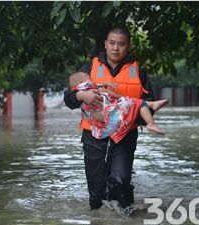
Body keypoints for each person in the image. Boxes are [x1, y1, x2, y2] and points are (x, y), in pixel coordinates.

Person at [63, 27, 157, 216]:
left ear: (128, 46)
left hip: (124, 136)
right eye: (112, 43)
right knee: (96, 195)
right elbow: (68, 98)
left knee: (121, 180)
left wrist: (127, 115)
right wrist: (83, 95)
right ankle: (99, 216)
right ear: (105, 44)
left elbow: (149, 105)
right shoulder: (89, 68)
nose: (116, 48)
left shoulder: (138, 71)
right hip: (93, 136)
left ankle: (125, 209)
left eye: (121, 44)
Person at [69, 72, 168, 142]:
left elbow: (95, 87)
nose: (90, 79)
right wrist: (81, 95)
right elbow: (69, 97)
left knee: (135, 102)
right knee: (136, 102)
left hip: (105, 116)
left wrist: (104, 85)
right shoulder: (82, 87)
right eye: (88, 77)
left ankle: (150, 106)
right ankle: (151, 121)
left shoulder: (138, 70)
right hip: (104, 114)